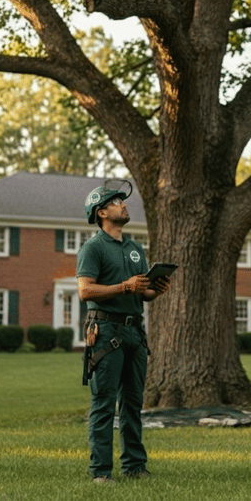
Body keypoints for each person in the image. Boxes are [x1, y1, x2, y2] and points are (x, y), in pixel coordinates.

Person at [76, 179, 170, 485]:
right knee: (103, 403)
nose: (123, 204)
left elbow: (140, 294)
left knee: (133, 402)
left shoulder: (133, 249)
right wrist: (124, 286)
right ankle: (100, 472)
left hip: (134, 333)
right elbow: (84, 290)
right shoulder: (93, 248)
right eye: (116, 202)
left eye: (122, 201)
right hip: (105, 331)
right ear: (101, 212)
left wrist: (154, 290)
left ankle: (134, 466)